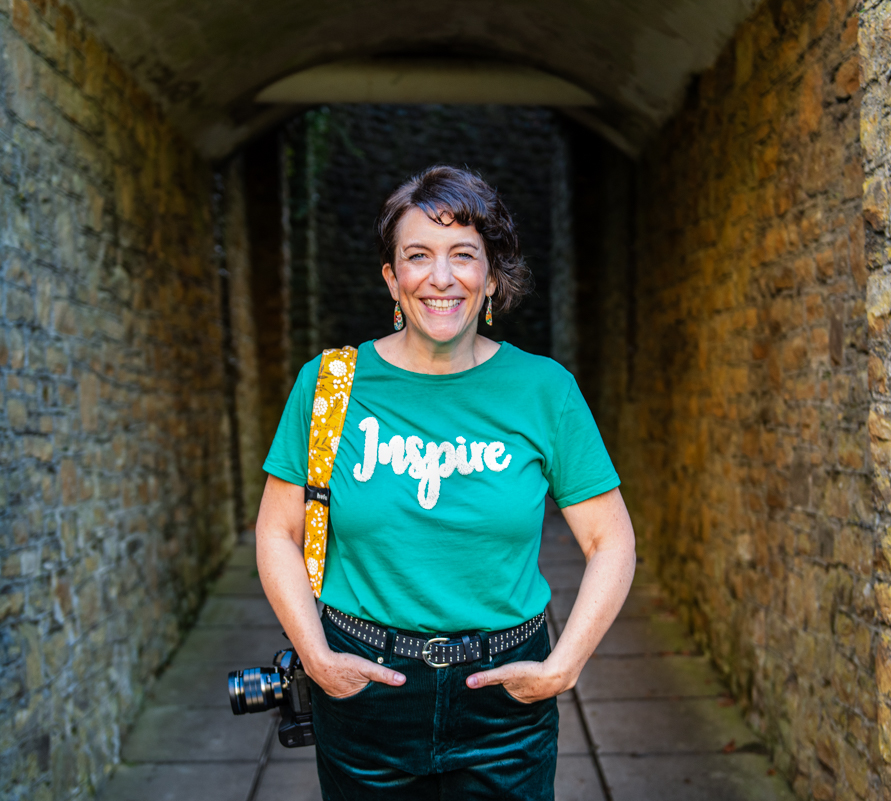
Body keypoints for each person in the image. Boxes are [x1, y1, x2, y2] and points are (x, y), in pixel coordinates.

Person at [256, 165, 636, 800]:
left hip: (505, 700)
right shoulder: (327, 387)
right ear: (391, 278)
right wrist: (316, 658)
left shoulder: (544, 390)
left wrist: (565, 665)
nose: (440, 277)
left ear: (492, 277)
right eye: (418, 256)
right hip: (365, 691)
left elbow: (611, 540)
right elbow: (277, 532)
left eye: (463, 254)